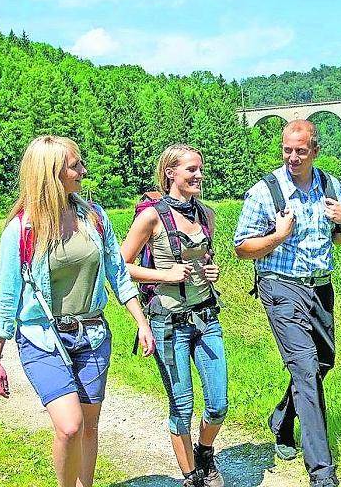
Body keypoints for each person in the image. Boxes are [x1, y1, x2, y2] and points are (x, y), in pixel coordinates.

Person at [0, 135, 155, 487]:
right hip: (43, 339)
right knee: (70, 426)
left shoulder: (94, 218)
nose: (83, 170)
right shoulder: (21, 230)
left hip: (92, 335)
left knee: (89, 426)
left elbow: (118, 273)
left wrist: (140, 320)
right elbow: (7, 295)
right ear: (50, 172)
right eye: (74, 165)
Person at [234, 119, 341, 487]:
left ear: (314, 151)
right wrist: (277, 235)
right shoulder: (265, 192)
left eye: (301, 150)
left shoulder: (330, 185)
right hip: (281, 288)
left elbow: (339, 240)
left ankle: (282, 421)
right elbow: (241, 247)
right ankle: (322, 473)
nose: (292, 157)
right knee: (304, 369)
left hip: (320, 287)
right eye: (287, 149)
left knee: (322, 362)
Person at [120, 144, 228, 487]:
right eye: (191, 170)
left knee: (218, 404)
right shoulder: (151, 216)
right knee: (181, 407)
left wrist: (212, 271)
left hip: (207, 319)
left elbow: (204, 260)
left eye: (200, 168)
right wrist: (164, 276)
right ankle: (192, 477)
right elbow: (120, 266)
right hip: (168, 323)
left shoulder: (206, 214)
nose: (199, 175)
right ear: (171, 174)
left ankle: (205, 452)